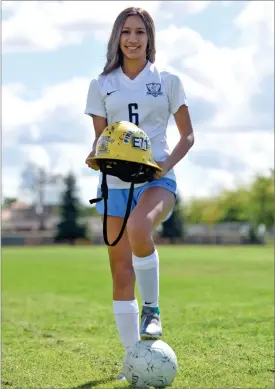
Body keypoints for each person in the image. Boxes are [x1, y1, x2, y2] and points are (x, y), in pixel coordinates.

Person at [84, 6, 194, 379]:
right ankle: (133, 359)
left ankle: (152, 310)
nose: (133, 39)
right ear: (117, 38)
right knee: (120, 272)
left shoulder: (167, 80)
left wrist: (165, 166)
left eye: (140, 32)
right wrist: (95, 155)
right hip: (115, 184)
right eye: (126, 32)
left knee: (140, 228)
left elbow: (188, 135)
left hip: (157, 179)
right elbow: (101, 140)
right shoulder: (101, 85)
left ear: (150, 38)